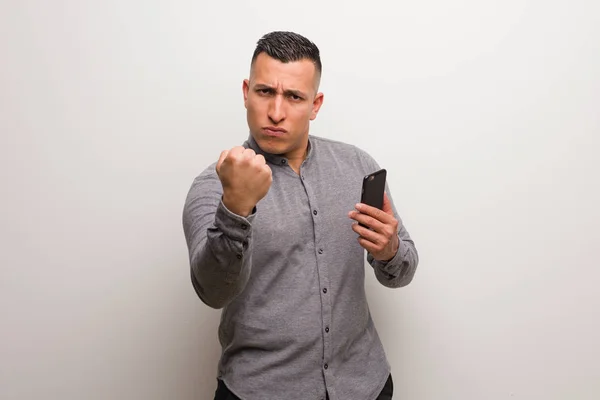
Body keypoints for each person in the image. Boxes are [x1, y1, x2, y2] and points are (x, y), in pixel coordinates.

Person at [182, 31, 419, 400]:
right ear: (246, 92)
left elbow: (402, 272)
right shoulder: (212, 186)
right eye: (265, 92)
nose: (276, 112)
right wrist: (236, 209)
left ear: (315, 103)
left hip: (365, 386)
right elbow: (213, 292)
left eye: (294, 96)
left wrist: (389, 251)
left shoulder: (357, 166)